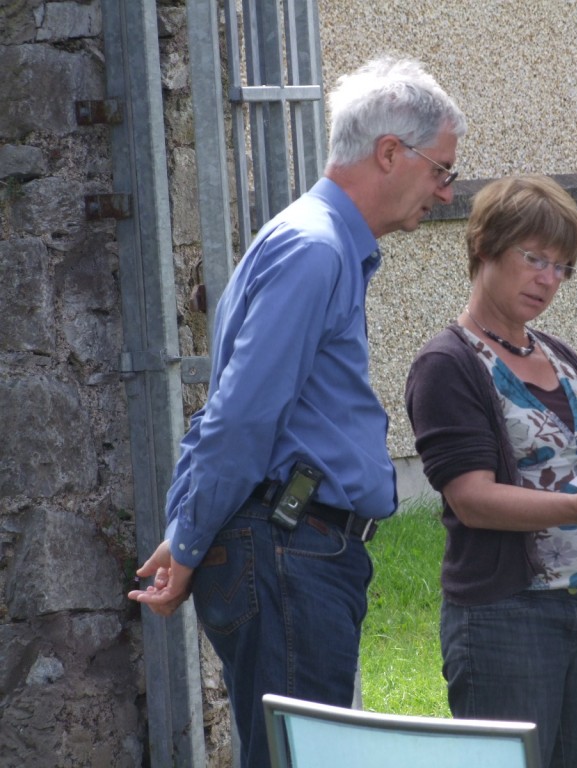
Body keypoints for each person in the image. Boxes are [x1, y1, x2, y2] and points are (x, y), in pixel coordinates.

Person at [128, 56, 466, 768]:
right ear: (388, 153)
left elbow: (235, 407)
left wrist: (190, 525)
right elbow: (240, 418)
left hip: (293, 548)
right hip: (289, 548)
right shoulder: (315, 250)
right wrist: (188, 543)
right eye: (442, 171)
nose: (444, 192)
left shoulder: (317, 242)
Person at [404, 175, 577, 768]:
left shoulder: (561, 356)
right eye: (534, 258)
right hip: (507, 618)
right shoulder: (448, 364)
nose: (548, 279)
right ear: (485, 247)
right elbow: (473, 499)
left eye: (562, 267)